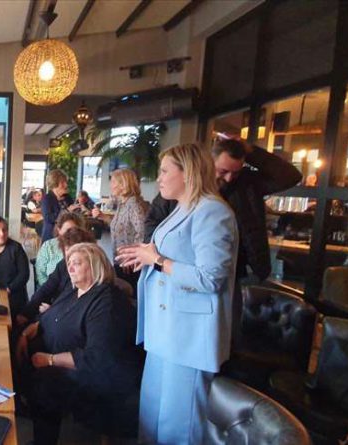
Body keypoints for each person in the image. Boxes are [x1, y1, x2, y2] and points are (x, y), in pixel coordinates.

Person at [117, 143, 238, 444]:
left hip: (188, 337)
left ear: (188, 173)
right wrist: (147, 256)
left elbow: (211, 278)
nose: (158, 178)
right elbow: (173, 254)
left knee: (178, 426)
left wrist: (157, 260)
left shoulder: (213, 212)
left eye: (164, 171)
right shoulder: (182, 208)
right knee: (151, 417)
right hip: (165, 331)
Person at [141, 137, 301, 345]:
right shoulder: (179, 191)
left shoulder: (246, 183)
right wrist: (161, 256)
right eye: (223, 171)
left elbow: (290, 176)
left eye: (235, 172)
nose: (229, 178)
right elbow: (152, 222)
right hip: (186, 271)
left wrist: (250, 151)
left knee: (225, 335)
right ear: (208, 163)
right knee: (192, 333)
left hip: (243, 269)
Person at [16, 243, 142, 444]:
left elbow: (98, 358)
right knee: (15, 338)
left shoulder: (107, 302)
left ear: (94, 265)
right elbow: (52, 315)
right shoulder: (75, 290)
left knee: (45, 383)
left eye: (77, 263)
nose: (70, 268)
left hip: (97, 377)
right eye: (69, 263)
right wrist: (28, 331)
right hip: (67, 356)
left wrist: (50, 359)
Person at [17, 227, 97, 327]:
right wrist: (26, 313)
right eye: (68, 250)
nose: (71, 256)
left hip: (65, 322)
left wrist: (51, 311)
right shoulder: (63, 264)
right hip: (51, 314)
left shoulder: (90, 276)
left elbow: (75, 308)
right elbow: (46, 289)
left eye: (75, 251)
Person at [92, 168, 149, 291]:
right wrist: (102, 216)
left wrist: (131, 256)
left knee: (128, 293)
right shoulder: (123, 204)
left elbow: (142, 232)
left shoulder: (134, 205)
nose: (111, 185)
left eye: (113, 182)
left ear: (124, 184)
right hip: (120, 259)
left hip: (129, 263)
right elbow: (120, 226)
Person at [35, 212, 85, 286]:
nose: (70, 234)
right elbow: (40, 273)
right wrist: (48, 288)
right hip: (49, 288)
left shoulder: (85, 248)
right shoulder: (48, 246)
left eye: (73, 230)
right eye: (67, 230)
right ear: (59, 230)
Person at [41, 169, 80, 242]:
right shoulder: (47, 199)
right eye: (62, 182)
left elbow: (74, 214)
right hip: (52, 236)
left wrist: (79, 208)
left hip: (68, 235)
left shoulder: (67, 197)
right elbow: (48, 218)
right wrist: (67, 211)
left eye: (66, 182)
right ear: (54, 184)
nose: (66, 185)